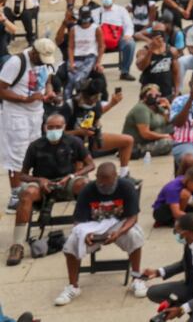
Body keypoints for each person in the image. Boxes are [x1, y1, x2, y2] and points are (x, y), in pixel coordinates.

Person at [55, 161, 148, 305]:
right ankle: (73, 286)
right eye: (101, 184)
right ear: (96, 177)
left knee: (134, 235)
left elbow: (133, 218)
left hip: (118, 223)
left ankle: (136, 278)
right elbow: (78, 221)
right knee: (71, 243)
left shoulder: (126, 187)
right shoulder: (88, 190)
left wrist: (119, 232)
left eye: (108, 184)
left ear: (115, 177)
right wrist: (85, 234)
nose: (104, 188)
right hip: (94, 226)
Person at [7, 112, 92, 267]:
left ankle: (84, 230)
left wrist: (73, 175)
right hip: (42, 184)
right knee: (27, 194)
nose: (54, 130)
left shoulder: (74, 142)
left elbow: (91, 164)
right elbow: (23, 175)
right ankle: (17, 245)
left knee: (85, 185)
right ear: (45, 128)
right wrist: (39, 180)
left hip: (66, 181)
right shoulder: (35, 146)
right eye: (50, 127)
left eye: (58, 127)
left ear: (64, 127)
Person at [1, 39, 59, 207]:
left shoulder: (45, 62)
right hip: (16, 114)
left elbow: (47, 81)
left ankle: (31, 188)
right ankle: (15, 194)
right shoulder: (16, 62)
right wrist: (25, 99)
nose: (43, 62)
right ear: (34, 52)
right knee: (17, 154)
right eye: (40, 58)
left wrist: (50, 93)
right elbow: (1, 89)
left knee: (33, 151)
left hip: (36, 113)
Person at [122, 83, 175, 161]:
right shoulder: (141, 109)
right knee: (168, 142)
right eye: (151, 94)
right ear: (144, 96)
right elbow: (145, 134)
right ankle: (137, 153)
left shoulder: (156, 107)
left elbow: (171, 120)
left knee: (176, 128)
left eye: (157, 94)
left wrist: (168, 106)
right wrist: (164, 136)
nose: (154, 97)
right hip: (139, 145)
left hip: (153, 137)